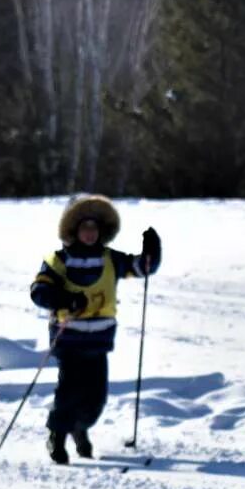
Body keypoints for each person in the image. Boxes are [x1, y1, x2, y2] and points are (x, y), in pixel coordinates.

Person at [29, 195, 161, 464]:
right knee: (68, 392)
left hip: (99, 341)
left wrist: (152, 252)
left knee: (96, 398)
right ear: (74, 231)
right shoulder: (58, 260)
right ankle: (58, 435)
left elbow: (142, 268)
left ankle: (80, 428)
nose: (90, 233)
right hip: (69, 340)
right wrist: (65, 300)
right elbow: (39, 292)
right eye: (84, 228)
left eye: (94, 228)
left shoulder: (112, 259)